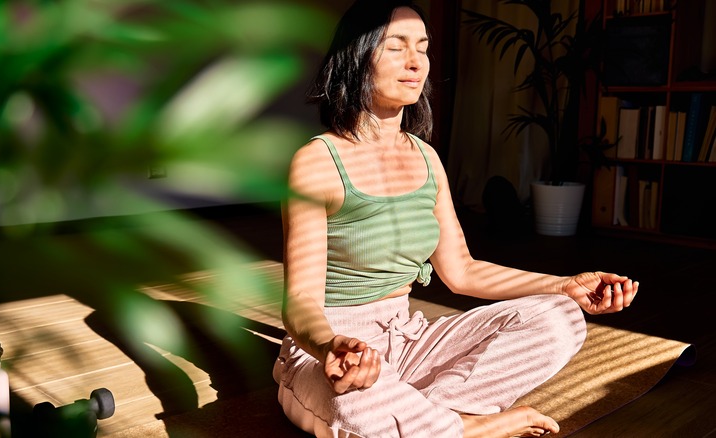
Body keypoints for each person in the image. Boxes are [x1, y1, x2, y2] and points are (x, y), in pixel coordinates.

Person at [273, 1, 639, 437]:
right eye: (396, 47)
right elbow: (300, 301)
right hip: (335, 352)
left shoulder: (426, 158)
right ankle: (462, 426)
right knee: (357, 409)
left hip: (409, 339)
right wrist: (329, 345)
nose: (415, 63)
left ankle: (433, 419)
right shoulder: (317, 163)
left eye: (423, 49)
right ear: (357, 54)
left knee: (561, 317)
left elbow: (461, 271)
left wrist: (564, 286)